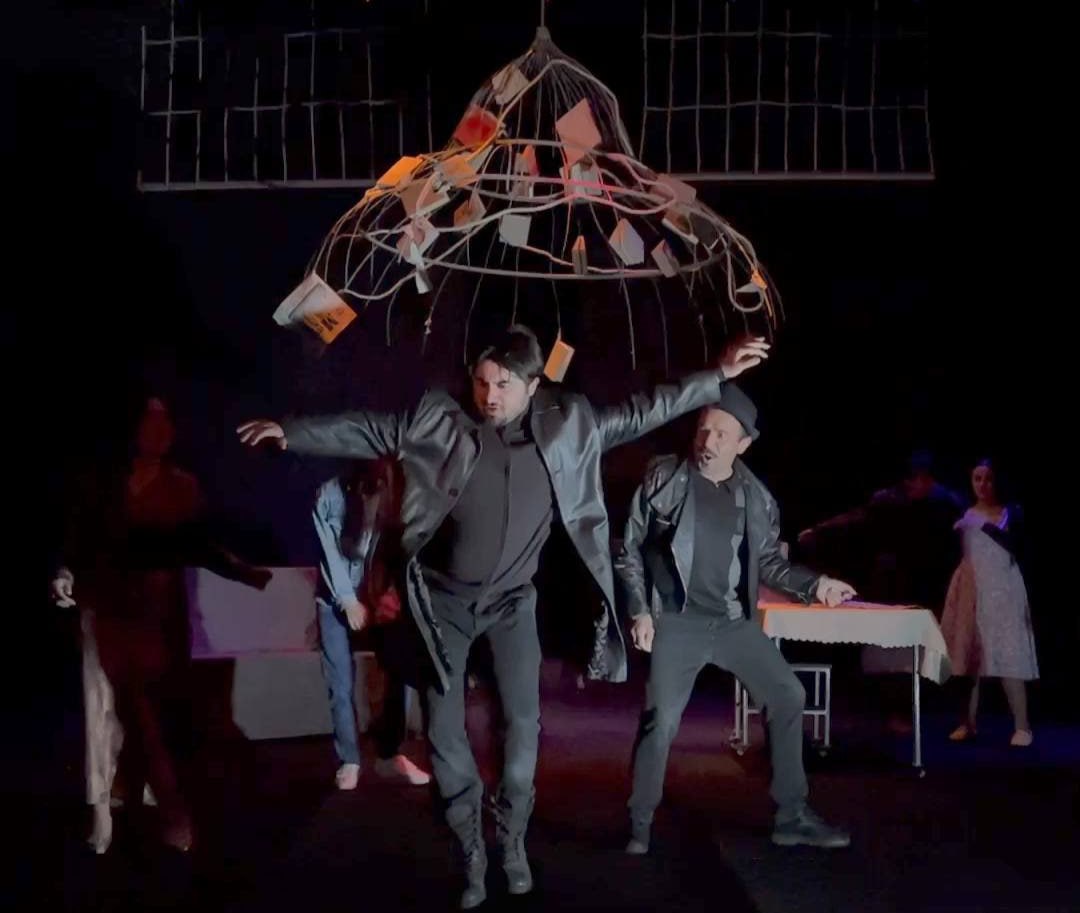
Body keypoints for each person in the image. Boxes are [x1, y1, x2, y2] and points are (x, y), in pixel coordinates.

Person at [237, 326, 769, 908]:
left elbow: (648, 408)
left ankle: (511, 837)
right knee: (445, 731)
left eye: (504, 385)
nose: (490, 396)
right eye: (482, 382)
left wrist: (718, 375)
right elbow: (368, 427)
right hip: (443, 604)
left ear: (534, 386)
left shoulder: (569, 426)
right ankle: (469, 844)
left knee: (522, 731)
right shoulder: (440, 421)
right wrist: (291, 432)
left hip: (512, 604)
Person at [616, 386, 855, 852]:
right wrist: (640, 610)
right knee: (660, 720)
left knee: (788, 694)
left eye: (722, 434)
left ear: (743, 444)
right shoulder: (664, 477)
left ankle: (791, 815)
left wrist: (817, 584)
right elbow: (629, 548)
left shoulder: (756, 498)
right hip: (677, 622)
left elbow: (770, 564)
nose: (708, 440)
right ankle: (639, 821)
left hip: (730, 623)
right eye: (704, 428)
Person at [50, 396, 271, 853]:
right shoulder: (105, 485)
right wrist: (65, 572)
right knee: (113, 711)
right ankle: (120, 808)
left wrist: (242, 572)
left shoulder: (183, 487)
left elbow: (200, 543)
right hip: (109, 612)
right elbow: (80, 538)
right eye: (151, 421)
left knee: (149, 713)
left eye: (166, 422)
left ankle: (156, 801)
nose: (160, 430)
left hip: (159, 618)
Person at [313, 458, 430, 788]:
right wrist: (348, 600)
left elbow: (399, 547)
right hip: (335, 599)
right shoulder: (329, 494)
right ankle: (349, 759)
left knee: (398, 672)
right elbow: (329, 553)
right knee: (340, 681)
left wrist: (390, 594)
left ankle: (389, 754)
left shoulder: (392, 492)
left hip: (377, 596)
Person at [940, 458, 1037, 746]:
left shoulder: (1010, 511)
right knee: (968, 656)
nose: (983, 485)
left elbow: (1013, 544)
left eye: (989, 479)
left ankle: (1023, 727)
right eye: (977, 478)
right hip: (971, 588)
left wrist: (983, 525)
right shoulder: (965, 510)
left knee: (1008, 654)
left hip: (1002, 589)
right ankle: (967, 723)